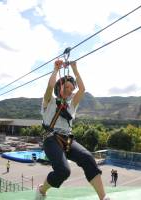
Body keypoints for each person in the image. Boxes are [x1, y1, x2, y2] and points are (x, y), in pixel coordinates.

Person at [34, 59, 110, 200]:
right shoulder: (48, 101)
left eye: (70, 88)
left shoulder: (71, 105)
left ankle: (103, 198)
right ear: (59, 87)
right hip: (51, 139)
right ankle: (42, 189)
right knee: (63, 171)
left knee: (87, 158)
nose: (69, 90)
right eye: (65, 87)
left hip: (67, 139)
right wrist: (56, 70)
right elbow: (49, 87)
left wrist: (75, 68)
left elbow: (82, 89)